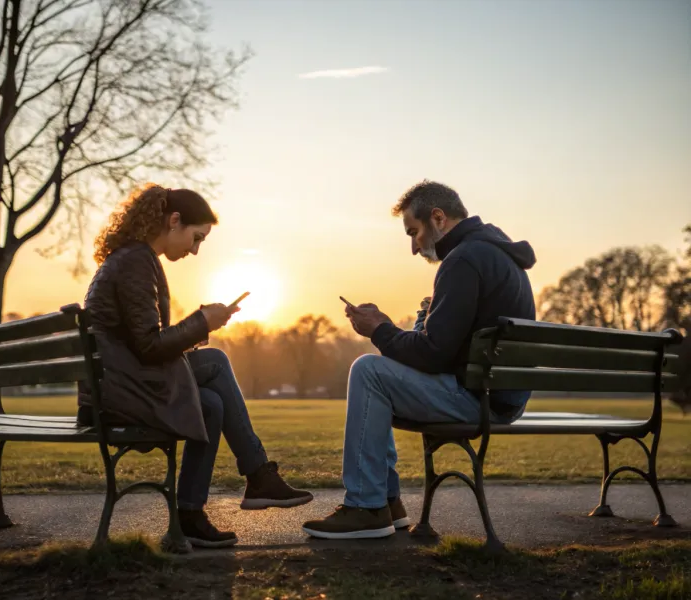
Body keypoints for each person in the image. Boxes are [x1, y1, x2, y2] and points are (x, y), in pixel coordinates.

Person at [79, 184, 312, 548]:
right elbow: (149, 346)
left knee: (211, 404)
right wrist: (203, 321)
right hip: (119, 393)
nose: (196, 249)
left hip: (114, 386)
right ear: (174, 221)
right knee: (216, 361)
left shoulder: (128, 258)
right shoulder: (137, 260)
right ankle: (258, 474)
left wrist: (203, 322)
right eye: (196, 237)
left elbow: (141, 343)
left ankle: (190, 514)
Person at [302, 180, 536, 540]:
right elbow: (441, 348)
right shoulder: (498, 254)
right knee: (380, 375)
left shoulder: (464, 259)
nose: (413, 247)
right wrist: (415, 324)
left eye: (414, 232)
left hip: (479, 400)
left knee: (368, 370)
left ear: (438, 218)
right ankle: (387, 502)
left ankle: (367, 507)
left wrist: (379, 330)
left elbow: (433, 355)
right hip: (503, 396)